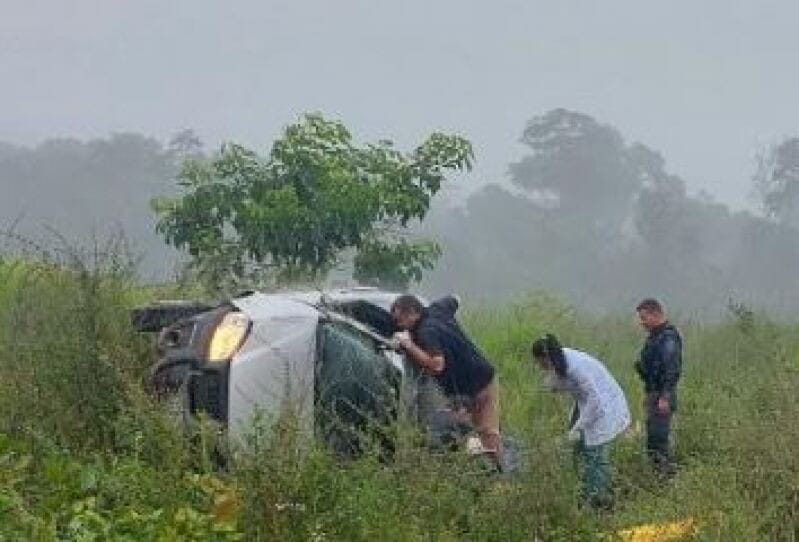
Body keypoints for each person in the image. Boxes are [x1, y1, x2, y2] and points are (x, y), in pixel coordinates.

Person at [390, 294, 502, 466]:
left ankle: (490, 470)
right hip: (483, 375)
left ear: (412, 312)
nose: (399, 325)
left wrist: (408, 345)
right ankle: (493, 469)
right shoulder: (438, 309)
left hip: (473, 387)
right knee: (483, 432)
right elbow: (455, 298)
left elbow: (437, 365)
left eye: (400, 320)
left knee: (476, 432)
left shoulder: (426, 332)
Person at [531, 334, 630, 509]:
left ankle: (599, 501)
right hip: (586, 404)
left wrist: (579, 426)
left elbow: (596, 402)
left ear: (547, 357)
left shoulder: (576, 367)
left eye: (541, 362)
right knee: (578, 450)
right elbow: (558, 385)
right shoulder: (560, 359)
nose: (540, 366)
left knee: (594, 455)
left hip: (604, 406)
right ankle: (584, 491)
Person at [635, 298, 682, 477]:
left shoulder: (668, 338)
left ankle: (666, 478)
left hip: (661, 396)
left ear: (655, 314)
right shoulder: (655, 337)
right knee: (653, 439)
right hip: (653, 393)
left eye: (644, 318)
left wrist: (665, 397)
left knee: (660, 439)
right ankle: (658, 476)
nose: (642, 322)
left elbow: (671, 369)